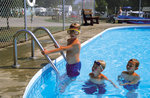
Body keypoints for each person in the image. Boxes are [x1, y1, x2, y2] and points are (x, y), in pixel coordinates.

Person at [41, 23, 81, 93]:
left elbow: (63, 49)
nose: (72, 34)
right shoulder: (69, 40)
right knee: (61, 79)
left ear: (78, 33)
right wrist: (58, 46)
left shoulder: (76, 43)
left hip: (75, 66)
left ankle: (61, 92)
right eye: (71, 31)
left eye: (75, 32)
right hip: (69, 65)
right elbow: (66, 49)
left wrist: (48, 52)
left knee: (64, 84)